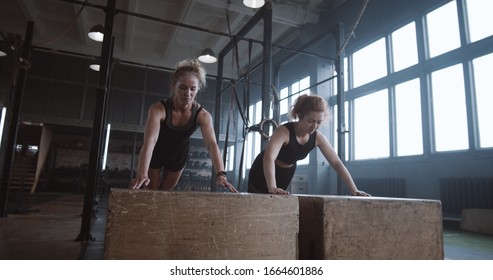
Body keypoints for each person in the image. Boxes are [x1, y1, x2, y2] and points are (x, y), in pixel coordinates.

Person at [130, 59, 237, 193]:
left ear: (198, 89)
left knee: (164, 194)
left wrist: (221, 173)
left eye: (193, 89)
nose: (188, 93)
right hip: (156, 151)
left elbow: (212, 145)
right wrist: (142, 171)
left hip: (179, 155)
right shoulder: (158, 109)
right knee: (150, 192)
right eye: (183, 87)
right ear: (174, 86)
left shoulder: (203, 115)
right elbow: (150, 142)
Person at [248, 94, 369, 196]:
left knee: (274, 205)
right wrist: (272, 186)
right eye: (310, 121)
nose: (314, 126)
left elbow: (336, 163)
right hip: (264, 169)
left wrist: (354, 189)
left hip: (286, 173)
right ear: (300, 116)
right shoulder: (284, 131)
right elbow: (269, 157)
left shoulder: (318, 138)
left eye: (319, 122)